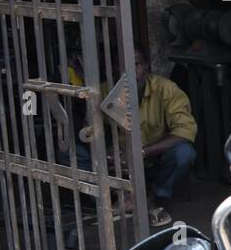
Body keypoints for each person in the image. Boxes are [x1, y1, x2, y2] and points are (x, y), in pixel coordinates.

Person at [75, 46, 197, 227]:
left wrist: (141, 152)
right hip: (119, 164)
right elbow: (90, 130)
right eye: (124, 67)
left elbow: (184, 131)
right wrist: (106, 151)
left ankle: (153, 197)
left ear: (146, 66)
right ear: (116, 69)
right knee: (74, 152)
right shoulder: (105, 91)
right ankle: (119, 196)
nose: (131, 72)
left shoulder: (166, 89)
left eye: (136, 64)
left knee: (184, 153)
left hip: (153, 161)